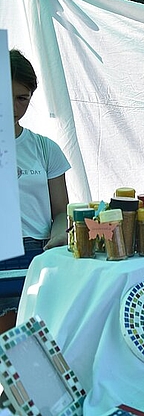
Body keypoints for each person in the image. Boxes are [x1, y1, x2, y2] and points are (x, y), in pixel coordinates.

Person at [0, 50, 70, 332]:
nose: (14, 106)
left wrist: (57, 237)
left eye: (22, 98)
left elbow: (62, 212)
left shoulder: (45, 148)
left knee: (34, 344)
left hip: (37, 254)